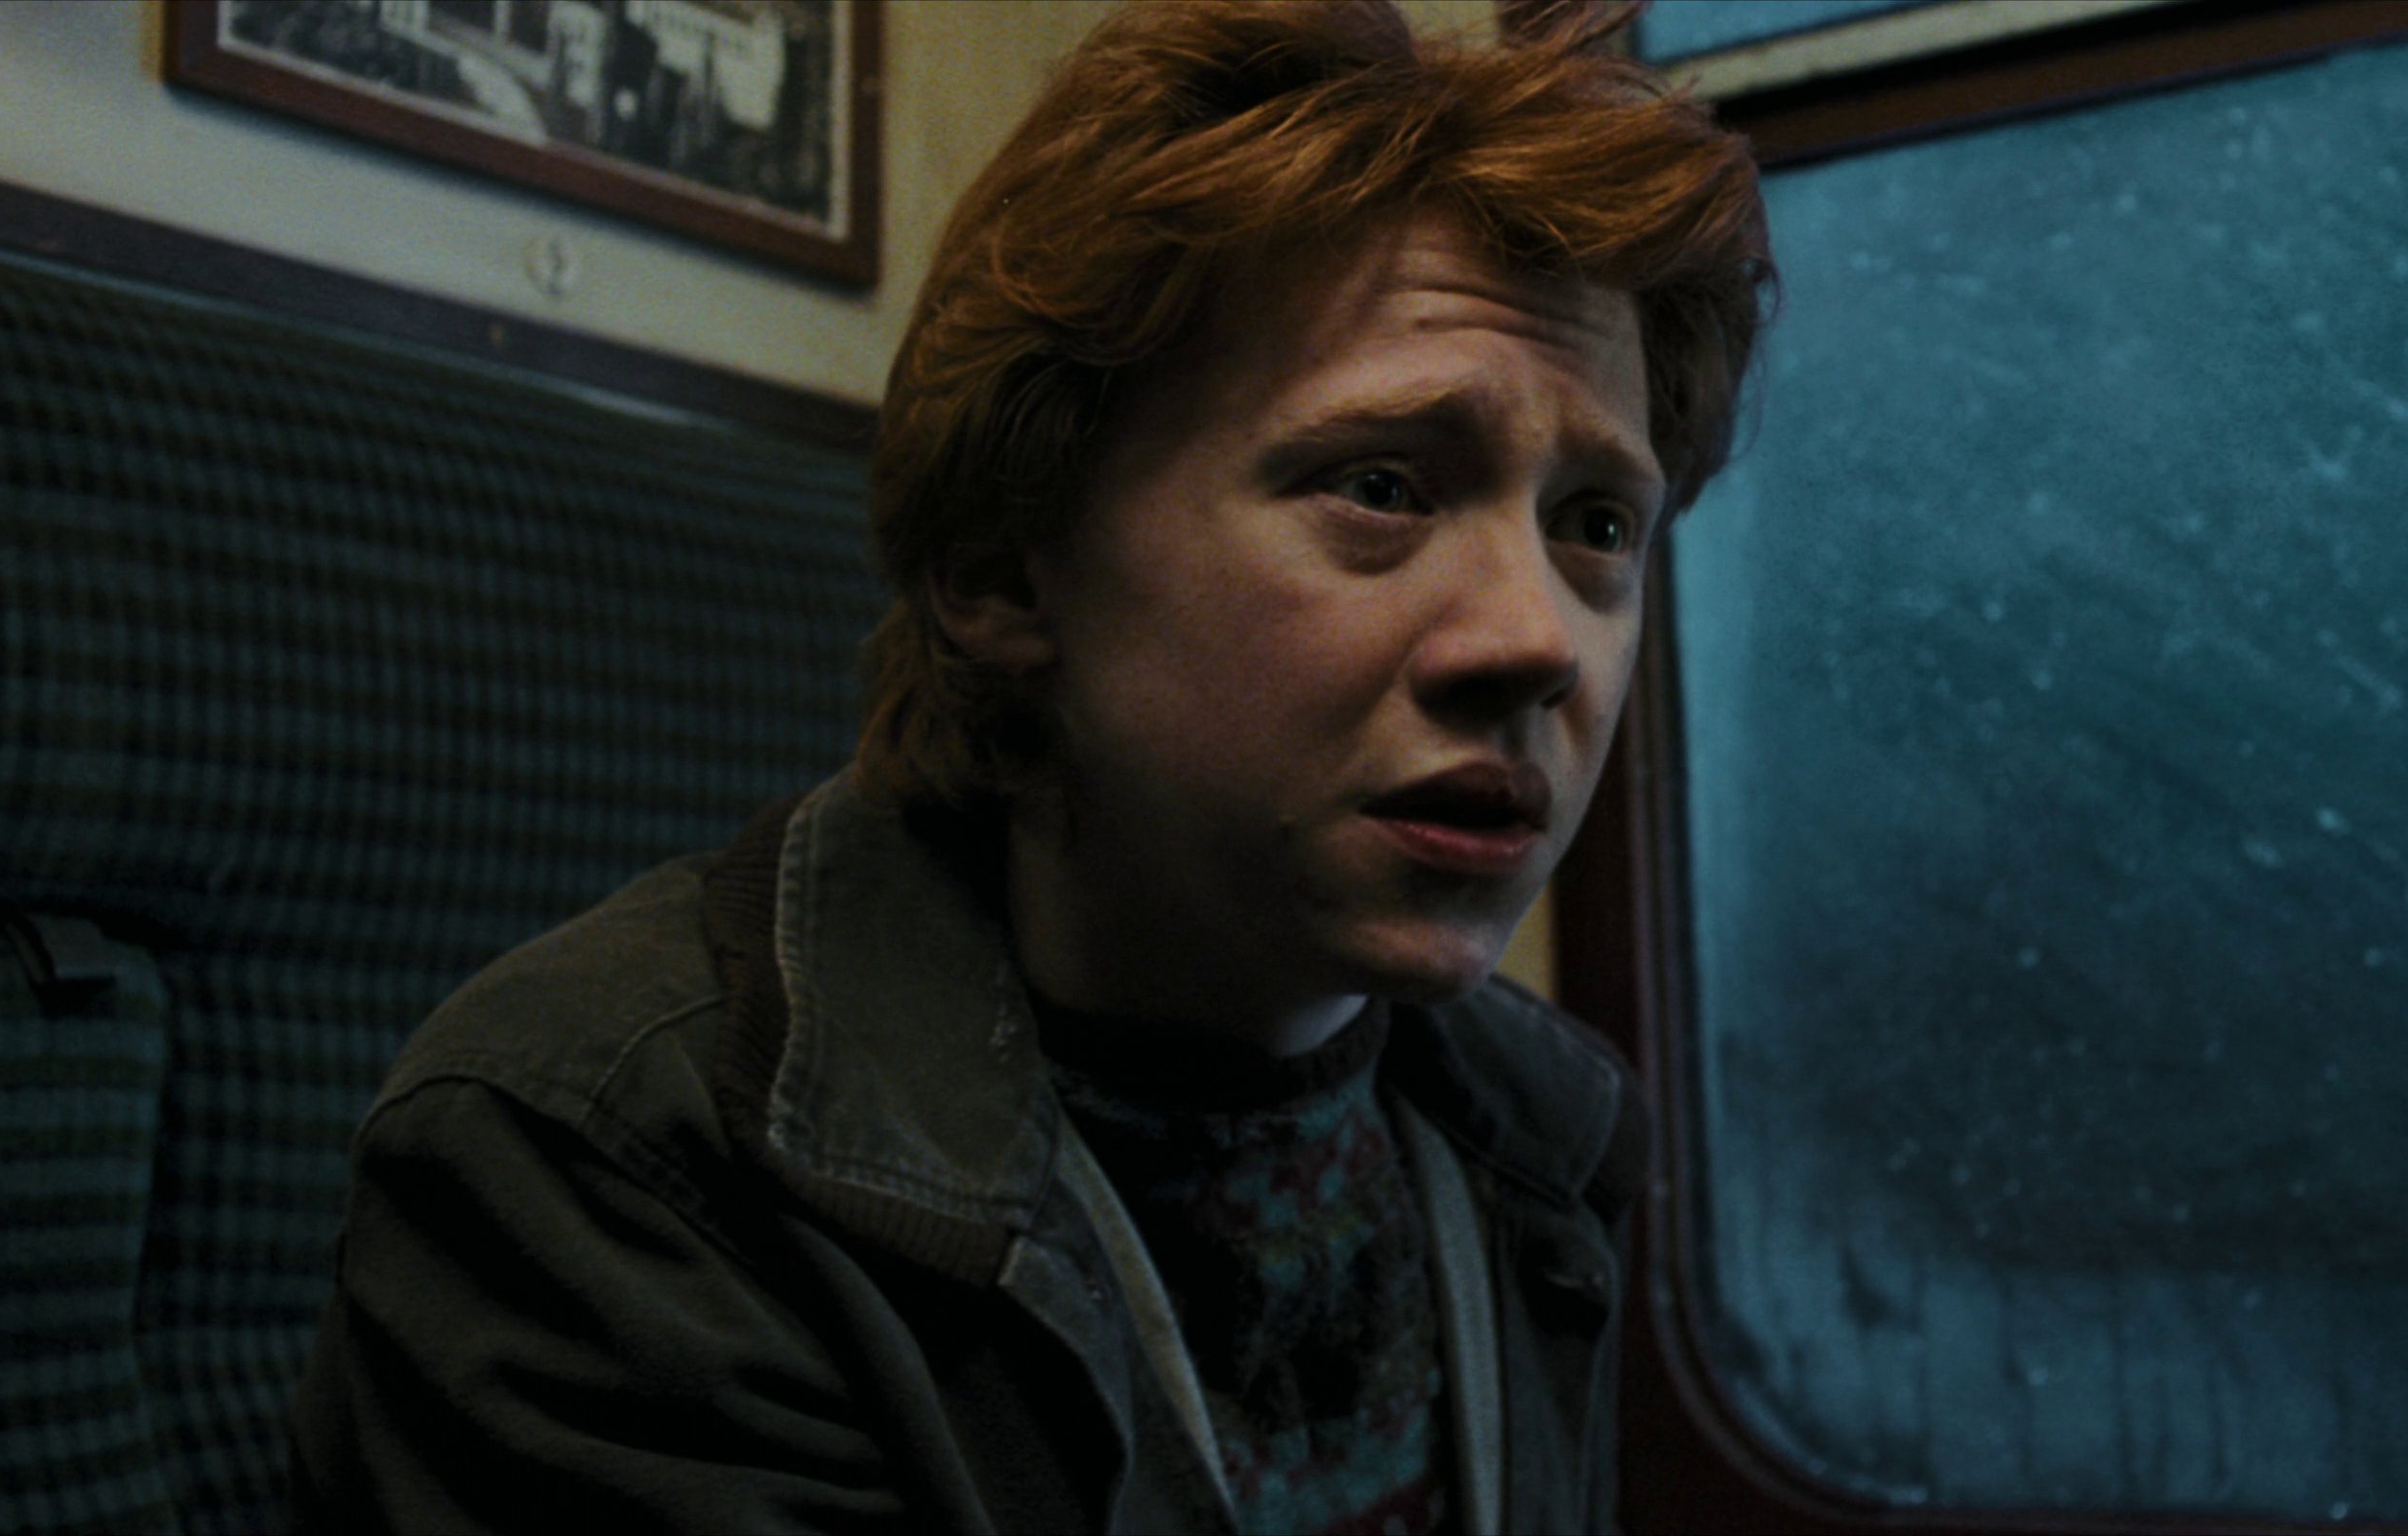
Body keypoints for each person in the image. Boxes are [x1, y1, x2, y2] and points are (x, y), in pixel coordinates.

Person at [282, 1, 1771, 1530]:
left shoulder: (1541, 1143)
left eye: (1598, 525)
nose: (1538, 639)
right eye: (1382, 487)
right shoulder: (601, 1165)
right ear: (1006, 567)